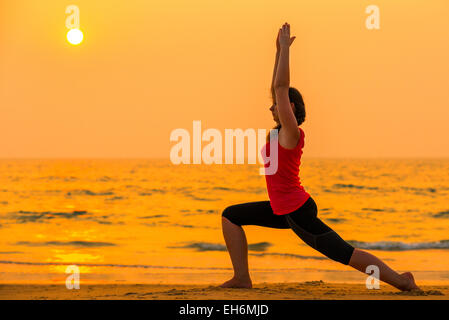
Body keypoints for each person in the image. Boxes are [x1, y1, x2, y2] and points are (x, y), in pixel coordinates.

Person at [219, 23, 420, 291]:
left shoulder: (292, 134)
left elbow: (281, 87)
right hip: (283, 208)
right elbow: (276, 88)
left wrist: (287, 51)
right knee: (230, 216)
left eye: (277, 104)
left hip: (296, 210)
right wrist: (278, 52)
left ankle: (401, 281)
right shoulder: (279, 133)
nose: (271, 107)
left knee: (345, 254)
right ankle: (242, 278)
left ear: (289, 108)